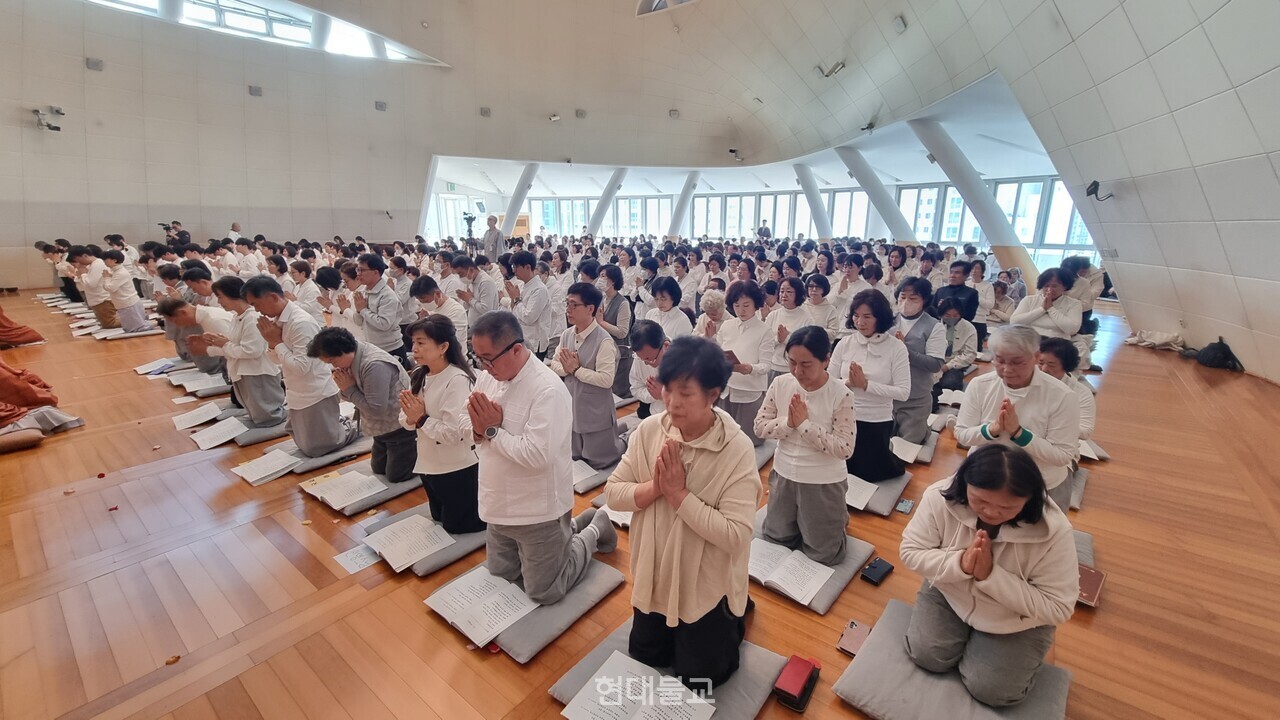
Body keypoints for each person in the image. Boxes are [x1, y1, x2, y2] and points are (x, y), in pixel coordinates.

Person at [604, 336, 761, 688]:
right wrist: (655, 489)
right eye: (667, 390)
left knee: (700, 677)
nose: (672, 403)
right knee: (647, 657)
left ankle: (735, 612)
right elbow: (613, 493)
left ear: (713, 394)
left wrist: (678, 495)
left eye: (686, 393)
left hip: (703, 585)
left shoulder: (737, 449)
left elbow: (736, 535)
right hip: (654, 574)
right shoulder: (648, 431)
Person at [900, 445, 1077, 707]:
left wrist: (990, 577)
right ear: (965, 483)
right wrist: (960, 563)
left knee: (991, 691)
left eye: (1008, 507)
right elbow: (910, 552)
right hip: (951, 593)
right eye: (981, 501)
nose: (992, 513)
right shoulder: (939, 496)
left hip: (1015, 618)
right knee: (927, 656)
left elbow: (1059, 607)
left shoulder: (1054, 531)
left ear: (1028, 499)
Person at [467, 311, 617, 604]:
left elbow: (536, 456)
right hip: (496, 502)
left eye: (488, 358)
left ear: (517, 350)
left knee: (545, 591)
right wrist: (478, 431)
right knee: (500, 577)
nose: (484, 367)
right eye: (478, 359)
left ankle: (595, 529)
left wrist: (492, 431)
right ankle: (571, 529)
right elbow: (466, 417)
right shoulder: (487, 377)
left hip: (538, 509)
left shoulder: (548, 388)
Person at [755, 327, 856, 564]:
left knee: (824, 554)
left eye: (806, 364)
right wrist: (788, 423)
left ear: (826, 360)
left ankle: (838, 517)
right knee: (775, 539)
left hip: (822, 481)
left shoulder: (842, 394)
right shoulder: (781, 383)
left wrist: (804, 426)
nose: (797, 371)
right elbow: (760, 427)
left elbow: (845, 448)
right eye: (792, 362)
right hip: (783, 475)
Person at [953, 325, 1079, 511]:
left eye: (1017, 362)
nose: (1007, 369)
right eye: (1000, 360)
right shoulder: (980, 385)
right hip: (985, 477)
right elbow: (962, 434)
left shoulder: (1062, 395)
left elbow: (1062, 455)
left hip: (1039, 483)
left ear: (1036, 357)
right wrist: (991, 430)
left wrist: (1019, 433)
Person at [244, 277, 360, 458]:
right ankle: (337, 423)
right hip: (297, 390)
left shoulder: (300, 323)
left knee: (319, 448)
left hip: (315, 392)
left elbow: (301, 367)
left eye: (256, 304)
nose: (256, 310)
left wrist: (276, 342)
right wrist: (273, 343)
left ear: (273, 297)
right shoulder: (279, 321)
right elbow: (276, 360)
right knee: (304, 444)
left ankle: (354, 427)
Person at [399, 316, 484, 533]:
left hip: (457, 466)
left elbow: (454, 433)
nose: (414, 349)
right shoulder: (419, 374)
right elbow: (405, 418)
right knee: (438, 517)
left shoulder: (457, 380)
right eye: (413, 343)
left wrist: (421, 419)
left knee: (458, 526)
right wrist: (412, 418)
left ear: (443, 347)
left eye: (421, 343)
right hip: (428, 463)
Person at [309, 327, 415, 484]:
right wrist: (347, 389)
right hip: (380, 429)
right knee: (378, 469)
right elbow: (346, 395)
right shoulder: (351, 357)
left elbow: (376, 409)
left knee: (396, 476)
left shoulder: (374, 365)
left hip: (399, 427)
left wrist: (349, 389)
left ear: (344, 350)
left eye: (333, 361)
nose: (333, 366)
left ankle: (423, 452)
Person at [832, 290, 910, 481]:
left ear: (880, 317)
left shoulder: (896, 347)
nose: (860, 322)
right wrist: (848, 383)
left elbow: (903, 392)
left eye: (867, 317)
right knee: (841, 470)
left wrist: (866, 385)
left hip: (876, 419)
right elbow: (829, 381)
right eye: (856, 316)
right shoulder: (844, 343)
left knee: (870, 473)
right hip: (843, 416)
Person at [550, 282, 624, 469]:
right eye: (567, 304)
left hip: (595, 408)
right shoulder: (567, 334)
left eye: (574, 305)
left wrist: (576, 371)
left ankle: (626, 438)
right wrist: (568, 369)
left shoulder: (604, 340)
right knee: (575, 456)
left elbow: (606, 380)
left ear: (591, 308)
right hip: (572, 403)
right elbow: (554, 363)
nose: (568, 309)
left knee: (602, 459)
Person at [198, 276, 286, 429]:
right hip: (243, 370)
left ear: (232, 294)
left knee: (267, 416)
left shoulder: (252, 317)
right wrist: (219, 341)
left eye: (220, 297)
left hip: (258, 372)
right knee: (254, 412)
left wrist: (225, 344)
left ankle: (285, 419)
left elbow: (252, 350)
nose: (219, 302)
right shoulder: (238, 316)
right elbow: (236, 342)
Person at [714, 281, 774, 447]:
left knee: (749, 442)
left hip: (750, 391)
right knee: (724, 437)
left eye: (746, 305)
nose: (741, 310)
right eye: (737, 305)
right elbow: (718, 351)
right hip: (727, 389)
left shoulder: (764, 330)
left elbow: (766, 365)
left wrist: (749, 368)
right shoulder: (727, 326)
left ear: (756, 304)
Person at [893, 278, 947, 443]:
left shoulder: (934, 326)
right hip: (887, 395)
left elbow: (935, 364)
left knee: (909, 445)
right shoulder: (889, 321)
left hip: (914, 398)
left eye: (913, 298)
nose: (906, 302)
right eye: (902, 297)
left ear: (924, 301)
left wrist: (905, 351)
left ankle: (925, 431)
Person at [1038, 337, 1096, 461]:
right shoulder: (1026, 382)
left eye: (1051, 365)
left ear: (1066, 366)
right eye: (1041, 363)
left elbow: (1085, 430)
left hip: (1059, 448)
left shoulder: (1080, 392)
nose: (1043, 369)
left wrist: (1047, 424)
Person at [353, 253, 411, 367]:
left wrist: (363, 310)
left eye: (362, 270)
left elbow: (384, 324)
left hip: (390, 349)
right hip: (372, 347)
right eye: (357, 270)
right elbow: (359, 322)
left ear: (376, 272)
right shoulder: (364, 291)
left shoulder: (387, 296)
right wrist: (359, 311)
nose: (358, 274)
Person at [155, 298, 234, 376]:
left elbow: (235, 350)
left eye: (175, 321)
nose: (178, 325)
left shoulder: (214, 320)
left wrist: (206, 349)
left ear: (183, 312)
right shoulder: (204, 317)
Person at [506, 251, 554, 360]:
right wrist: (513, 297)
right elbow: (515, 312)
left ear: (527, 267)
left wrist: (517, 299)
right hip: (523, 336)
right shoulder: (523, 285)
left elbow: (529, 318)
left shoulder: (539, 289)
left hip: (535, 342)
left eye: (516, 267)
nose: (514, 270)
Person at [1009, 268, 1082, 340]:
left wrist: (1051, 308)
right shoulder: (1029, 300)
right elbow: (1014, 321)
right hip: (1029, 341)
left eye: (1054, 286)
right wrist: (1042, 309)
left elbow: (1072, 329)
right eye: (1046, 286)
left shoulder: (1074, 304)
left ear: (1065, 287)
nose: (1049, 289)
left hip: (1058, 343)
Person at [596, 264, 634, 399]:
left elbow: (622, 332)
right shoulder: (602, 299)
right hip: (604, 349)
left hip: (620, 352)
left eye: (603, 276)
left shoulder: (622, 303)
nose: (600, 280)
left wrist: (601, 322)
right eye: (599, 276)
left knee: (618, 394)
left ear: (612, 280)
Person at [101, 251, 154, 333]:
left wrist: (106, 278)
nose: (104, 262)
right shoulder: (116, 271)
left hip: (128, 303)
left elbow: (111, 288)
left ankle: (160, 323)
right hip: (125, 303)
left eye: (106, 259)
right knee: (130, 328)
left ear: (114, 260)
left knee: (137, 328)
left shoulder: (121, 272)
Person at [935, 298, 979, 395]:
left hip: (954, 363)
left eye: (955, 315)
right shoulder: (934, 324)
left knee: (950, 384)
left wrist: (948, 366)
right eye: (947, 315)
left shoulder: (969, 328)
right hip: (935, 360)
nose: (951, 318)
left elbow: (970, 354)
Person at [68, 246, 119, 329]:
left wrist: (83, 274)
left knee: (110, 324)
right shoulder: (92, 265)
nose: (78, 263)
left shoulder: (98, 264)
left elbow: (91, 284)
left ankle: (136, 321)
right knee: (106, 323)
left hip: (103, 299)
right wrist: (82, 274)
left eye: (78, 260)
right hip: (97, 299)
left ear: (84, 256)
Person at [629, 320, 669, 420]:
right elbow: (635, 388)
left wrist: (665, 395)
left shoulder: (687, 360)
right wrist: (653, 394)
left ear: (666, 346)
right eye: (641, 358)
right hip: (655, 416)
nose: (646, 363)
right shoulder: (641, 356)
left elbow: (696, 402)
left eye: (649, 359)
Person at [411, 275, 469, 340]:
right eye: (421, 302)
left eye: (426, 301)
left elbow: (453, 340)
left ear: (438, 294)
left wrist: (428, 325)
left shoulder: (456, 310)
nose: (424, 304)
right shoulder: (430, 309)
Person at [453, 255, 499, 331]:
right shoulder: (470, 281)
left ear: (471, 270)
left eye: (461, 274)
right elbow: (467, 306)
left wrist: (470, 299)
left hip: (487, 329)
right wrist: (465, 299)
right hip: (476, 327)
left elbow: (486, 309)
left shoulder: (485, 282)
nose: (460, 277)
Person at [803, 275, 841, 342]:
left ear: (824, 289)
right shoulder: (801, 307)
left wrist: (815, 331)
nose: (814, 290)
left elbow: (834, 333)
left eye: (818, 287)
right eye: (811, 286)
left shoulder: (831, 310)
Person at [968, 259, 995, 350]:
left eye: (977, 268)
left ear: (982, 271)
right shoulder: (965, 283)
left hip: (979, 320)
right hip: (965, 319)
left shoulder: (988, 286)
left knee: (977, 348)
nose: (974, 271)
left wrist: (976, 295)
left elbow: (990, 304)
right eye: (972, 268)